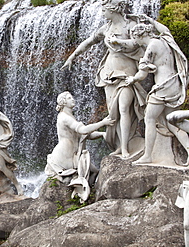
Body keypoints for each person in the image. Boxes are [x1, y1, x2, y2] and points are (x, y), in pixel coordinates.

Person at [61, 0, 149, 158]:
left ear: (113, 10)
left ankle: (126, 147)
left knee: (124, 109)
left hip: (126, 72)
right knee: (113, 113)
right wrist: (72, 56)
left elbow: (138, 43)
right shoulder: (106, 28)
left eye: (104, 10)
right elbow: (88, 42)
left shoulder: (130, 26)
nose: (102, 13)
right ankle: (118, 146)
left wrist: (118, 42)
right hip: (108, 73)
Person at [123, 23, 189, 165]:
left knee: (149, 118)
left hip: (163, 87)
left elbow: (142, 74)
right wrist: (151, 20)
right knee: (172, 122)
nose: (137, 43)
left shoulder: (152, 46)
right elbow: (165, 29)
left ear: (140, 36)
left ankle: (147, 155)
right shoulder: (164, 39)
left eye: (136, 39)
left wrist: (132, 79)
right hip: (174, 84)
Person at [45, 92, 115, 201]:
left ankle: (86, 196)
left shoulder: (69, 116)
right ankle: (79, 197)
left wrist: (101, 134)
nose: (72, 99)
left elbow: (85, 134)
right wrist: (103, 123)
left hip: (72, 154)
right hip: (64, 156)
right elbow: (83, 130)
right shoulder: (64, 117)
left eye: (72, 97)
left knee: (94, 171)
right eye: (69, 98)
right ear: (63, 102)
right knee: (86, 173)